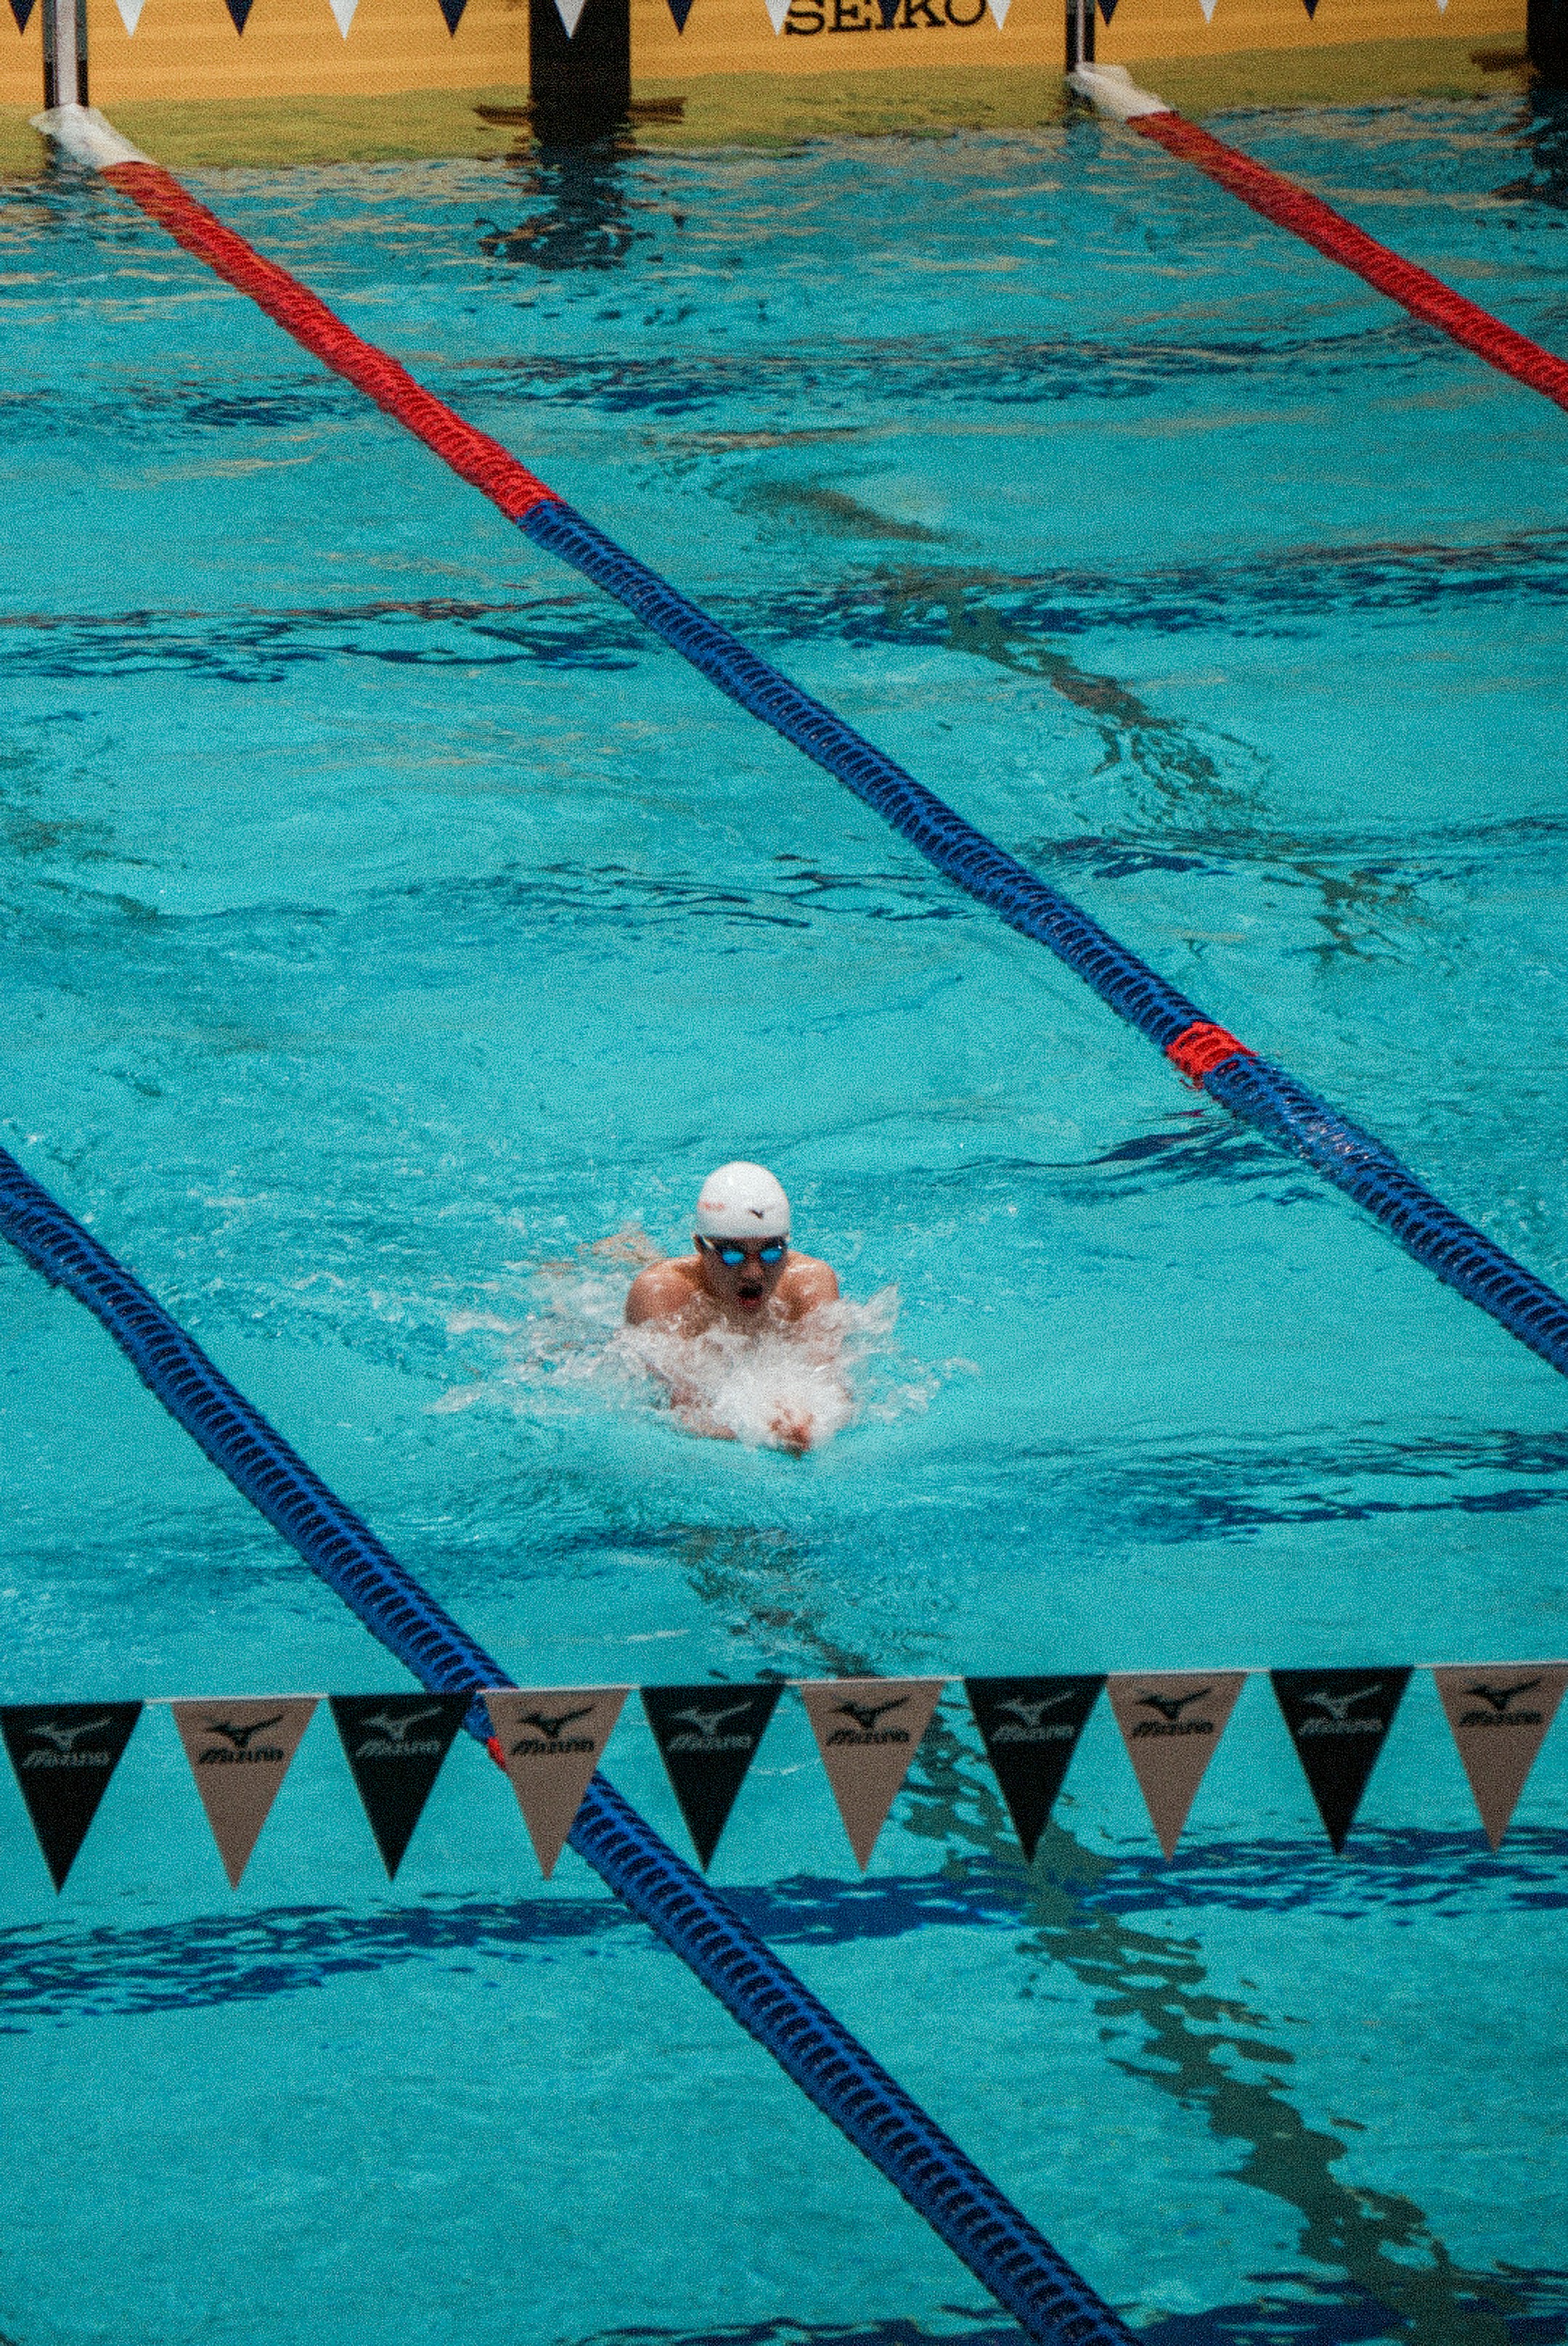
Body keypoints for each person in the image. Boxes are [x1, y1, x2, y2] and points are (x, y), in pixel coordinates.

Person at [624, 1163, 842, 1452]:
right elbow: (683, 1410)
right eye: (732, 1255)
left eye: (771, 1251)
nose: (754, 1272)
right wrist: (765, 1431)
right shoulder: (662, 1293)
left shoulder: (809, 1283)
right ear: (700, 1247)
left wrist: (807, 1419)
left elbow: (829, 1384)